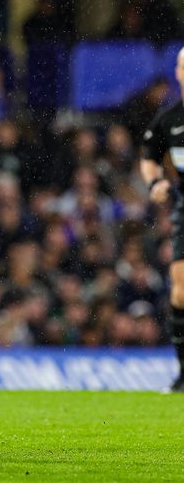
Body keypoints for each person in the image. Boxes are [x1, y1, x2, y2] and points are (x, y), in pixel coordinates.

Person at [140, 46, 184, 393]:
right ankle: (183, 373)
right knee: (180, 293)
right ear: (178, 72)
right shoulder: (169, 119)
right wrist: (155, 182)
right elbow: (149, 157)